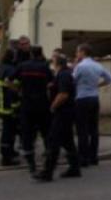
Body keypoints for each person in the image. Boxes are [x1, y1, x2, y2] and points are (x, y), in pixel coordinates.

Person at [34, 53, 81, 182]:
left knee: (53, 141)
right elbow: (57, 87)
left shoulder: (64, 74)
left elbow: (63, 94)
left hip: (63, 112)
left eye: (53, 61)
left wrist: (53, 106)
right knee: (67, 141)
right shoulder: (62, 74)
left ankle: (47, 172)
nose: (51, 63)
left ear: (58, 63)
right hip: (67, 112)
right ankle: (75, 168)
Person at [73, 44, 111, 167]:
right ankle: (93, 157)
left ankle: (83, 158)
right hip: (94, 98)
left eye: (77, 52)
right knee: (93, 129)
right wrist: (98, 85)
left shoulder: (80, 66)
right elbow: (110, 79)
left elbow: (72, 81)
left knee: (82, 129)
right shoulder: (97, 65)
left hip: (82, 99)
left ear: (83, 52)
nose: (76, 54)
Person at [14, 45, 52, 173]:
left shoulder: (22, 66)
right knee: (46, 131)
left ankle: (31, 164)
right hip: (42, 104)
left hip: (27, 105)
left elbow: (9, 80)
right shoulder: (45, 67)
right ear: (41, 54)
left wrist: (18, 90)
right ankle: (48, 158)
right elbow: (51, 83)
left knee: (27, 134)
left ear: (30, 54)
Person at [0, 48, 21, 166]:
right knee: (8, 132)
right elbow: (14, 88)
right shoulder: (11, 70)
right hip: (10, 105)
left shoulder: (0, 67)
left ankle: (10, 152)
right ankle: (6, 158)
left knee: (9, 130)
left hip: (1, 104)